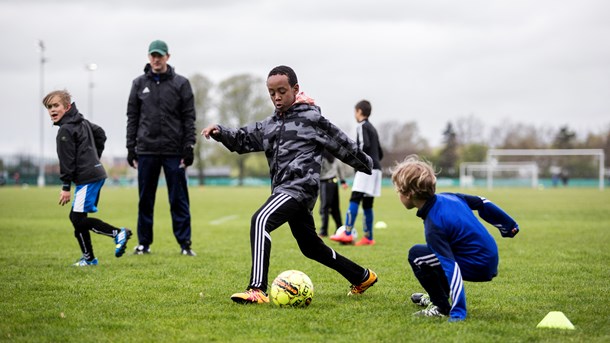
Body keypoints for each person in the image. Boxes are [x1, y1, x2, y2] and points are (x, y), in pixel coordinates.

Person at [201, 65, 378, 304]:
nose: (276, 97)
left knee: (261, 220)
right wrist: (221, 132)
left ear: (295, 89)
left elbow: (343, 144)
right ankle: (362, 276)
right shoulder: (270, 124)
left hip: (300, 188)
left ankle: (257, 289)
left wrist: (368, 164)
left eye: (282, 91)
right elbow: (243, 139)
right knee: (311, 247)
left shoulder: (312, 119)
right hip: (283, 191)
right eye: (271, 92)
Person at [390, 155, 519, 321]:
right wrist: (508, 225)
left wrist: (458, 313)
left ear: (408, 194)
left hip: (479, 264)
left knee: (417, 255)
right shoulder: (449, 196)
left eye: (398, 191)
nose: (398, 195)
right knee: (432, 254)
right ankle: (437, 296)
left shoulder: (434, 225)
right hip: (489, 256)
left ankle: (441, 306)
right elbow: (481, 202)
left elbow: (451, 267)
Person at [43, 90, 131, 266]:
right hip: (95, 174)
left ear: (67, 107)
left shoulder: (65, 130)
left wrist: (66, 187)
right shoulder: (81, 121)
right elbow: (101, 134)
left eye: (56, 105)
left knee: (77, 219)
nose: (52, 110)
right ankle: (89, 258)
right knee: (78, 219)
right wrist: (94, 157)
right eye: (49, 107)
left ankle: (117, 233)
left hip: (88, 177)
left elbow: (66, 161)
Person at [126, 40, 197, 256]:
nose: (156, 59)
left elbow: (189, 118)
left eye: (160, 55)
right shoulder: (138, 84)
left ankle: (185, 245)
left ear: (168, 56)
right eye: (152, 55)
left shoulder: (181, 83)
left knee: (178, 199)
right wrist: (131, 148)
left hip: (174, 151)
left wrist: (189, 146)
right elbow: (132, 118)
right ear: (149, 57)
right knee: (145, 200)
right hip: (146, 150)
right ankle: (143, 244)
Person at [330, 100, 383, 246]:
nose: (355, 114)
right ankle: (368, 237)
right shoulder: (373, 128)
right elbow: (380, 152)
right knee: (367, 203)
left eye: (355, 111)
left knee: (355, 198)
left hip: (366, 168)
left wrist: (357, 162)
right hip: (376, 168)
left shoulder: (361, 126)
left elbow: (362, 146)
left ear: (359, 111)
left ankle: (347, 233)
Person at [318, 149, 348, 237]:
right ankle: (339, 228)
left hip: (325, 183)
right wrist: (342, 181)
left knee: (324, 208)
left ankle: (324, 231)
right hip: (334, 184)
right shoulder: (334, 155)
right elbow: (340, 167)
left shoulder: (321, 155)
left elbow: (319, 169)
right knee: (335, 208)